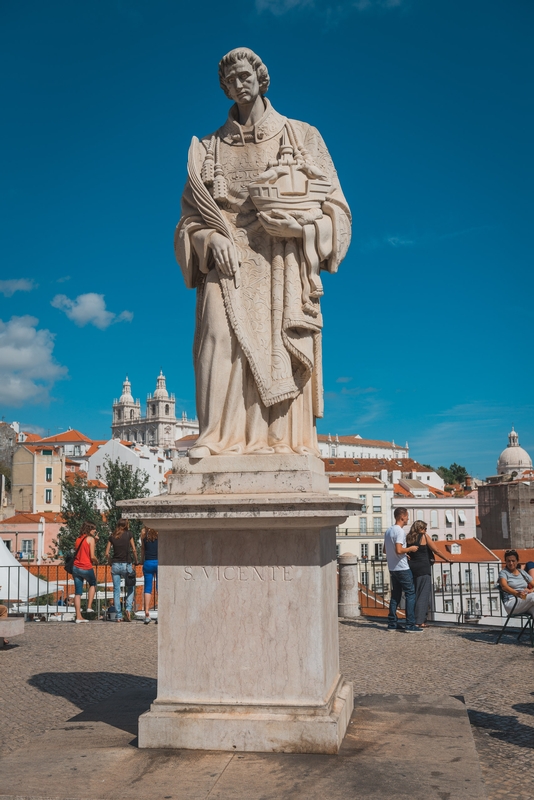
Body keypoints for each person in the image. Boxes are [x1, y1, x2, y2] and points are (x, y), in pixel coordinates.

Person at [175, 48, 351, 457]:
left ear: (260, 77)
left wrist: (301, 228)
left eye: (245, 74)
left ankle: (278, 441)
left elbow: (338, 212)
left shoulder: (302, 135)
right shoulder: (208, 148)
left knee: (279, 347)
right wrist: (207, 240)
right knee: (217, 337)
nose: (239, 83)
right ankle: (217, 438)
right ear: (224, 88)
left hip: (283, 260)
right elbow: (187, 221)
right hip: (227, 258)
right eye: (230, 79)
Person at [406, 520, 451, 628]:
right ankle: (420, 621)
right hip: (423, 568)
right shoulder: (424, 537)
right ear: (420, 529)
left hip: (412, 567)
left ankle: (412, 618)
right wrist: (447, 559)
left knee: (415, 594)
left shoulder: (408, 537)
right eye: (425, 528)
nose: (426, 530)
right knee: (423, 595)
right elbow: (436, 550)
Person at [383, 508, 422, 632]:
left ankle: (392, 623)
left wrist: (404, 554)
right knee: (410, 594)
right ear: (402, 517)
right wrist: (410, 549)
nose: (408, 519)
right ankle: (410, 624)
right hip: (402, 568)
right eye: (407, 516)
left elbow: (385, 550)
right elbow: (399, 550)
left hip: (392, 567)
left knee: (396, 595)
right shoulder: (399, 532)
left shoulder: (388, 530)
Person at [104, 519, 138, 622]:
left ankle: (118, 616)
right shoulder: (129, 534)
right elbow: (134, 549)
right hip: (126, 564)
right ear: (126, 525)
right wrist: (136, 560)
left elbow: (106, 553)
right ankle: (128, 608)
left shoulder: (112, 536)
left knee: (116, 590)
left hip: (115, 565)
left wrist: (110, 561)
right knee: (131, 587)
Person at [72, 521, 98, 623]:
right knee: (93, 584)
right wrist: (97, 560)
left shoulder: (78, 539)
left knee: (78, 593)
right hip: (86, 567)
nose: (95, 531)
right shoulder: (90, 539)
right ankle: (89, 606)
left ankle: (78, 616)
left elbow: (81, 551)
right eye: (94, 529)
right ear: (89, 529)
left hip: (75, 567)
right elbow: (91, 556)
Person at [498, 549, 534, 618]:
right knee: (533, 596)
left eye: (513, 561)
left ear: (517, 561)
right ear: (505, 561)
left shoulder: (522, 572)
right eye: (508, 561)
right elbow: (504, 586)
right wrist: (516, 593)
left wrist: (530, 590)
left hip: (524, 599)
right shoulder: (503, 573)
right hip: (511, 602)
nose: (511, 563)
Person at [141, 527, 158, 624]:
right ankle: (161, 614)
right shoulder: (159, 536)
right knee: (160, 588)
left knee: (147, 589)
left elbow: (142, 549)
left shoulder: (144, 536)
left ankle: (147, 612)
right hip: (158, 562)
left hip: (147, 562)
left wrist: (141, 560)